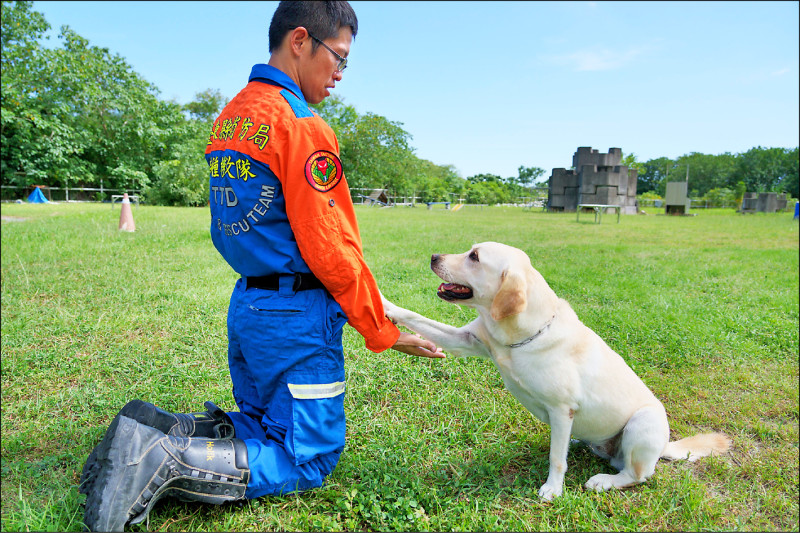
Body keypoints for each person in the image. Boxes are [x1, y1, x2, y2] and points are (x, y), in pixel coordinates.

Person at [79, 2, 443, 531]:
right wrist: (380, 329)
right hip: (295, 315)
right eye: (338, 59)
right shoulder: (302, 125)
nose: (340, 75)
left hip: (250, 303)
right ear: (300, 41)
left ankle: (151, 429)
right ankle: (162, 456)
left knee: (261, 425)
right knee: (306, 456)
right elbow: (331, 246)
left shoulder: (233, 115)